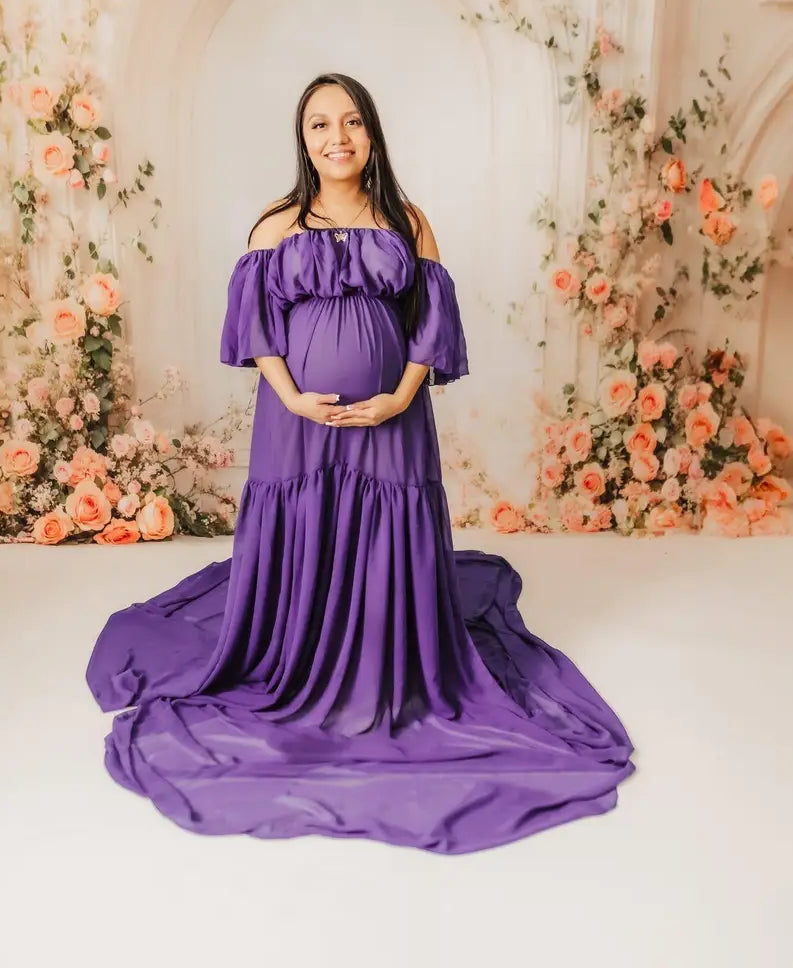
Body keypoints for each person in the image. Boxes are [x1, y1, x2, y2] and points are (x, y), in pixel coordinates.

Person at [86, 72, 636, 855]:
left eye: (349, 122)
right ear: (302, 140)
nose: (335, 136)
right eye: (318, 125)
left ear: (371, 134)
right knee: (304, 527)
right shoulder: (276, 224)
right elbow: (255, 330)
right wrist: (294, 398)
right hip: (297, 424)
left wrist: (398, 398)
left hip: (391, 423)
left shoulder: (407, 222)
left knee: (384, 527)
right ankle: (300, 648)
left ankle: (383, 657)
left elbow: (431, 330)